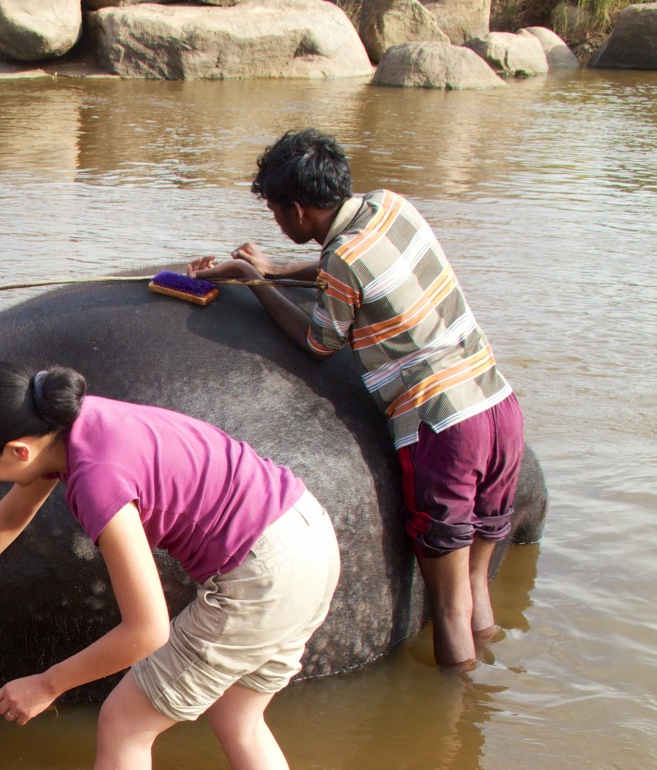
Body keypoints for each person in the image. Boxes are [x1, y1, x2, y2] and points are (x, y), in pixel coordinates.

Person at [0, 363, 340, 770]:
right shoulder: (72, 422)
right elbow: (16, 511)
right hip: (307, 537)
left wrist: (47, 684)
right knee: (238, 718)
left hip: (262, 575)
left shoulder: (97, 480)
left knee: (124, 724)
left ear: (18, 450)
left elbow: (148, 629)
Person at [190, 127, 523, 669]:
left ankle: (454, 732)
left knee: (448, 604)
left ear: (298, 210)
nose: (277, 223)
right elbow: (351, 269)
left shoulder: (342, 259)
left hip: (443, 425)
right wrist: (279, 265)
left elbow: (319, 341)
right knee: (477, 587)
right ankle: (492, 693)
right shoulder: (390, 206)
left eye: (277, 213)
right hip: (496, 403)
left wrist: (255, 280)